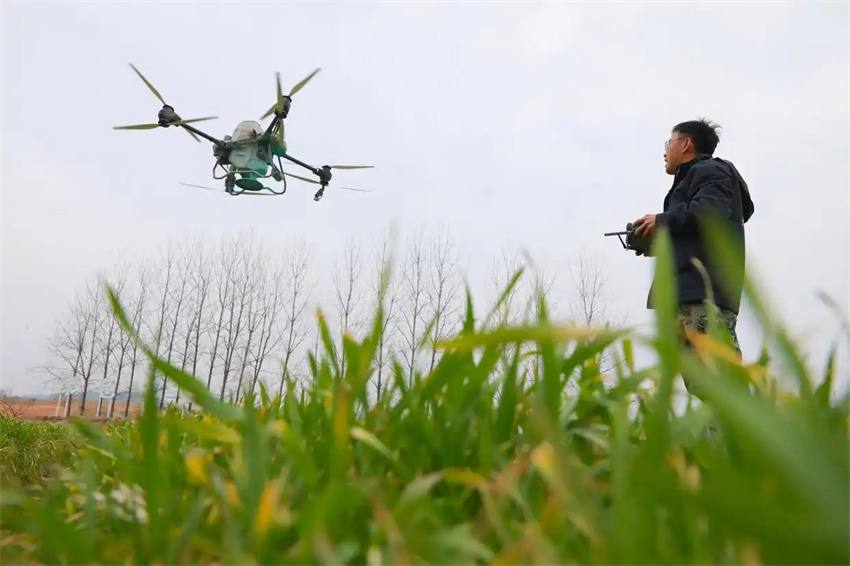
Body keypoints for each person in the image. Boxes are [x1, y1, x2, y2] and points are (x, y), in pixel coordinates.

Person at [631, 118, 755, 397]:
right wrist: (655, 240)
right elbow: (697, 230)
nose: (665, 151)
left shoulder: (711, 170)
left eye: (669, 143)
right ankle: (727, 440)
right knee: (704, 386)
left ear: (686, 144)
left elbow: (711, 211)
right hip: (688, 296)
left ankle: (751, 439)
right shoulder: (696, 178)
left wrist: (662, 220)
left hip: (704, 295)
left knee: (721, 383)